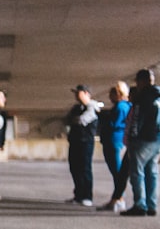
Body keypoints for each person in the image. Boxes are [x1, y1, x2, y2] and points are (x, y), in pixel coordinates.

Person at [120, 68, 160, 217]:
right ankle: (151, 205)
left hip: (143, 139)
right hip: (157, 139)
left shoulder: (142, 97)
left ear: (141, 81)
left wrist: (132, 137)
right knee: (152, 172)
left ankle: (139, 205)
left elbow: (136, 119)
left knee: (137, 172)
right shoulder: (158, 96)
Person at [97, 80, 131, 212]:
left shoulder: (121, 107)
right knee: (117, 171)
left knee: (117, 172)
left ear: (119, 93)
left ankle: (118, 198)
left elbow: (114, 124)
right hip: (115, 140)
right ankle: (117, 198)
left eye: (113, 93)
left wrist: (103, 119)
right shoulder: (125, 106)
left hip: (113, 140)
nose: (110, 96)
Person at [64, 85, 99, 206]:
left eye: (78, 93)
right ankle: (78, 195)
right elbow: (68, 119)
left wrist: (75, 119)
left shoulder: (92, 107)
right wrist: (74, 119)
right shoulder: (76, 108)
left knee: (85, 168)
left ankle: (87, 196)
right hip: (74, 141)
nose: (76, 95)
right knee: (75, 168)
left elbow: (82, 120)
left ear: (86, 93)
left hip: (86, 142)